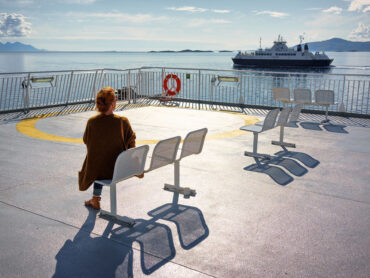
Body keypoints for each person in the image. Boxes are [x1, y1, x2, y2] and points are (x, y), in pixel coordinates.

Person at [78, 86, 139, 210]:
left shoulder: (92, 122)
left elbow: (86, 140)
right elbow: (131, 142)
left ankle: (95, 199)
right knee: (106, 159)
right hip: (119, 169)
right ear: (112, 104)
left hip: (99, 172)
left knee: (99, 159)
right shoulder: (123, 121)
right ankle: (95, 200)